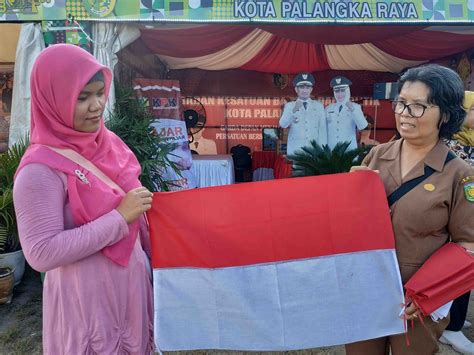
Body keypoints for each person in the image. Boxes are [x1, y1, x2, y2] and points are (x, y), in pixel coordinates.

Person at [13, 44, 154, 354]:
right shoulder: (40, 170)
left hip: (131, 291)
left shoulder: (109, 143)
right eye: (82, 97)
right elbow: (41, 252)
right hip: (86, 304)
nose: (97, 106)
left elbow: (135, 208)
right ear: (52, 98)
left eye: (100, 93)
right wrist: (119, 218)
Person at [348, 64, 474, 355]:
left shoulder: (459, 174)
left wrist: (430, 292)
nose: (405, 113)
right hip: (367, 289)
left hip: (419, 301)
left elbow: (467, 244)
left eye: (418, 106)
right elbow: (355, 223)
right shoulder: (378, 155)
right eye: (402, 103)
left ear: (445, 114)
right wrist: (350, 195)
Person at [439, 90, 474, 354]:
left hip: (467, 218)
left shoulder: (469, 142)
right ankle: (452, 327)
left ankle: (450, 319)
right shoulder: (452, 146)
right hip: (456, 222)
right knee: (459, 269)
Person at [279, 72, 326, 155]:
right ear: (296, 89)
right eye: (301, 87)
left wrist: (322, 150)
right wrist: (293, 110)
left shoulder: (318, 106)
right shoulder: (290, 106)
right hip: (296, 150)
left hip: (314, 150)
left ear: (311, 89)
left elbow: (322, 129)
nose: (305, 90)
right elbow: (283, 124)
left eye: (307, 87)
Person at [326, 75, 368, 150]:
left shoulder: (355, 107)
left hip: (348, 149)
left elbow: (362, 126)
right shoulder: (328, 108)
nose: (340, 94)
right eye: (337, 91)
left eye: (342, 90)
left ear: (347, 91)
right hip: (331, 149)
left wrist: (352, 110)